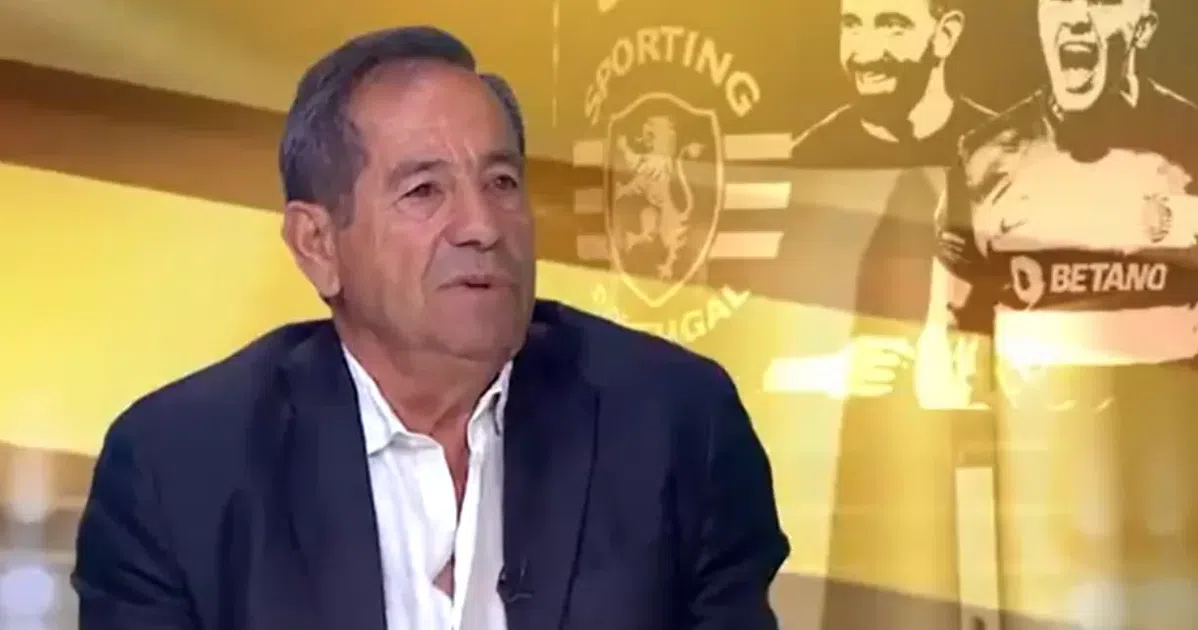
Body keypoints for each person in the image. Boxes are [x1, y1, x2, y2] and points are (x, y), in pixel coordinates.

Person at [71, 26, 789, 630]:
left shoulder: (676, 424)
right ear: (318, 245)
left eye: (502, 183)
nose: (482, 226)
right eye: (424, 191)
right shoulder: (179, 470)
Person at [921, 0, 1198, 624]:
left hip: (1177, 492)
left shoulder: (1194, 144)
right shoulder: (984, 158)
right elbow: (952, 343)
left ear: (1143, 27)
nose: (1075, 18)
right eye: (1059, 2)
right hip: (1042, 486)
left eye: (1102, 3)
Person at [791, 0, 992, 168]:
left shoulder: (1000, 149)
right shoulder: (811, 154)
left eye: (892, 27)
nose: (866, 55)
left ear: (944, 35)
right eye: (852, 25)